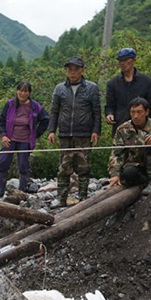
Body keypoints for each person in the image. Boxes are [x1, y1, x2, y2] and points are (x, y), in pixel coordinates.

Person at [47, 57, 101, 207]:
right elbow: (54, 111)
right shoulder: (59, 88)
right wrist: (51, 130)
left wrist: (96, 131)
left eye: (76, 69)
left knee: (84, 168)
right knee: (63, 168)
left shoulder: (91, 88)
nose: (72, 72)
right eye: (70, 69)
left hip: (84, 134)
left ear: (82, 70)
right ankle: (61, 198)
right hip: (65, 134)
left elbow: (96, 112)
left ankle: (83, 198)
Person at [108, 97, 151, 195]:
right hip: (134, 166)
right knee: (128, 173)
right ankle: (143, 183)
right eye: (133, 112)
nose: (136, 116)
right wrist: (114, 174)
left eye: (139, 112)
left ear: (146, 112)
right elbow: (116, 154)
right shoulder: (123, 130)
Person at [0, 81, 49, 197]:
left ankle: (22, 191)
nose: (22, 93)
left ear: (29, 93)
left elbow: (45, 120)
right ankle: (0, 189)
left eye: (25, 91)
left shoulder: (35, 106)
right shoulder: (10, 104)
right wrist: (3, 135)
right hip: (9, 138)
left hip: (25, 140)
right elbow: (2, 121)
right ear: (17, 91)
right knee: (3, 162)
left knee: (23, 165)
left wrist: (35, 134)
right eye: (20, 90)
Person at [105, 47, 151, 137]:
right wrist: (109, 114)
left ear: (133, 60)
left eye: (125, 60)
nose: (122, 63)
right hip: (121, 130)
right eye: (120, 60)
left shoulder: (147, 81)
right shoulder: (112, 83)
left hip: (143, 130)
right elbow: (109, 106)